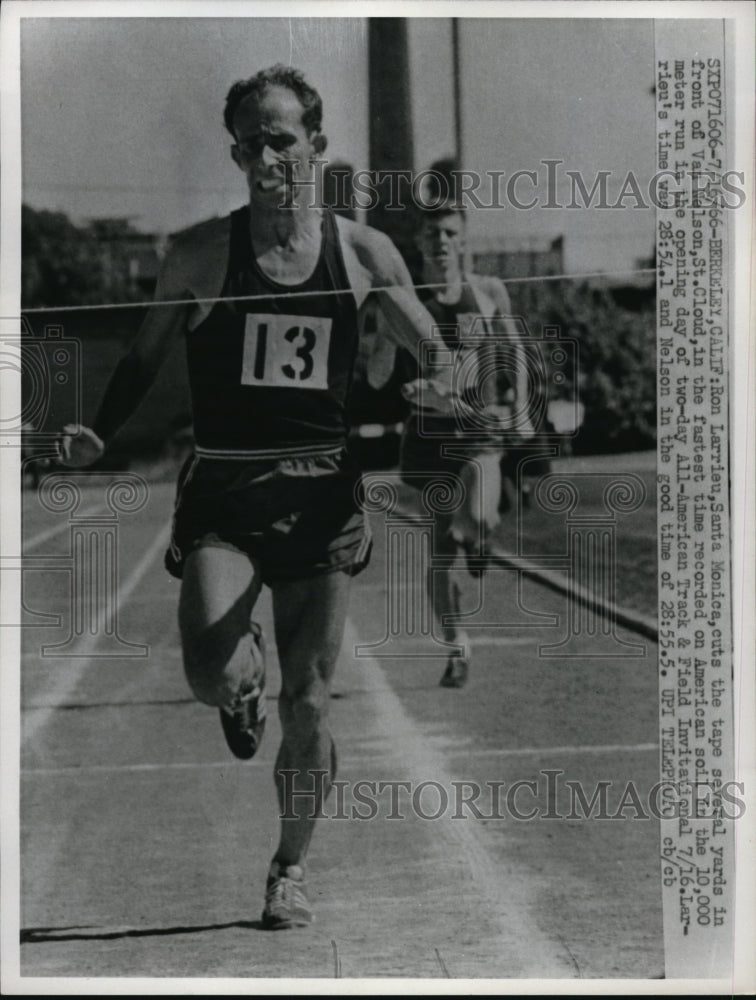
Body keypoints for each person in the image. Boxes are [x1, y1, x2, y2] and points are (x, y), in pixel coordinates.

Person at [57, 65, 455, 930]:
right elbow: (142, 355)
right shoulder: (199, 252)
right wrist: (102, 431)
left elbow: (429, 342)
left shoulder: (364, 252)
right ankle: (237, 690)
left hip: (320, 494)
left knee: (309, 703)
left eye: (281, 137)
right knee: (206, 672)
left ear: (316, 144)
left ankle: (288, 868)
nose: (265, 154)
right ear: (236, 154)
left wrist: (446, 386)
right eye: (249, 142)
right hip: (228, 493)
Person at [367, 197, 533, 689]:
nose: (440, 242)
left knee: (478, 516)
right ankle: (457, 646)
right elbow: (377, 379)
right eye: (431, 234)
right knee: (439, 551)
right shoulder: (405, 299)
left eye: (450, 233)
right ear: (418, 243)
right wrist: (384, 337)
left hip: (478, 427)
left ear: (463, 240)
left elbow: (516, 349)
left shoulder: (487, 292)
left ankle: (479, 537)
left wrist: (521, 403)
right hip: (428, 436)